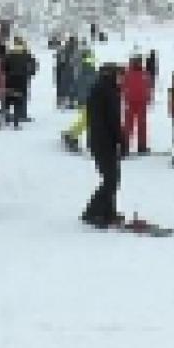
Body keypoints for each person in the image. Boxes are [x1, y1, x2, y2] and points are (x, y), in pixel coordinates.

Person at [81, 63, 124, 228]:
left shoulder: (101, 88)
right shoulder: (108, 91)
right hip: (104, 141)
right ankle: (93, 211)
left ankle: (108, 211)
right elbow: (112, 119)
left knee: (112, 178)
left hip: (100, 140)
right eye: (119, 75)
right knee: (111, 179)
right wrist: (121, 139)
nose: (121, 79)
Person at [60, 49, 97, 152]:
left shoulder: (80, 73)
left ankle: (75, 135)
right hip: (88, 100)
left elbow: (74, 87)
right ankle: (72, 135)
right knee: (86, 121)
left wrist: (73, 97)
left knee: (87, 121)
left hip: (83, 100)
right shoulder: (93, 73)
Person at [121, 52, 151, 155]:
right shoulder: (129, 73)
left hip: (138, 102)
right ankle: (127, 147)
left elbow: (148, 87)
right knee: (130, 126)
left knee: (138, 125)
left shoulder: (142, 73)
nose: (138, 63)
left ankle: (138, 147)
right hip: (133, 102)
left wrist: (148, 98)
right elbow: (122, 86)